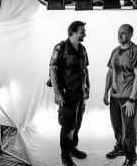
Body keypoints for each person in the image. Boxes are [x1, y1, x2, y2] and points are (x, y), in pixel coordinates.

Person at [103, 24, 137, 166]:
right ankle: (120, 148)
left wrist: (132, 99)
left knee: (129, 129)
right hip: (114, 96)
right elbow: (110, 72)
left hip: (128, 97)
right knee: (117, 127)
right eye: (118, 33)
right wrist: (105, 91)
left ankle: (131, 157)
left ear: (131, 34)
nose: (120, 36)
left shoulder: (136, 51)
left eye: (123, 33)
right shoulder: (115, 51)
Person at [49, 21, 90, 166]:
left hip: (80, 94)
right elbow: (52, 70)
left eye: (84, 31)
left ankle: (73, 149)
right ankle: (65, 157)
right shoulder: (60, 47)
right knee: (68, 126)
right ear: (72, 32)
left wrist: (87, 86)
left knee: (77, 124)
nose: (84, 33)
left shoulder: (82, 49)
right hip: (66, 95)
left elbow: (85, 69)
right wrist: (57, 94)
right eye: (82, 31)